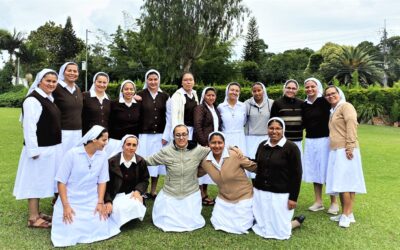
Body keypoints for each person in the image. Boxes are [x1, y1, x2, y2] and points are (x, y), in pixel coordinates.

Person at [51, 125, 120, 247]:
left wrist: (100, 202)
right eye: (104, 140)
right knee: (69, 230)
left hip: (91, 199)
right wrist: (66, 205)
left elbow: (102, 181)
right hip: (71, 199)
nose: (106, 143)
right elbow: (61, 182)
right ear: (94, 139)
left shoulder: (103, 155)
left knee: (101, 227)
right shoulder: (72, 154)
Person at [13, 69, 62, 228]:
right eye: (48, 81)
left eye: (54, 81)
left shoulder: (48, 97)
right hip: (38, 150)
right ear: (40, 81)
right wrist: (33, 151)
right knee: (34, 182)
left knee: (41, 181)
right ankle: (33, 218)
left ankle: (37, 212)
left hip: (49, 149)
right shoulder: (32, 100)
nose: (51, 84)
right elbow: (29, 127)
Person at [145, 124, 210, 232]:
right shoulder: (166, 151)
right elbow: (148, 161)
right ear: (173, 136)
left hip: (190, 192)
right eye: (178, 135)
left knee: (190, 221)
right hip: (171, 192)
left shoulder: (198, 149)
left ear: (188, 135)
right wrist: (129, 157)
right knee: (167, 222)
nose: (181, 138)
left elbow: (216, 150)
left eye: (184, 134)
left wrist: (233, 149)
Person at [252, 117, 304, 240]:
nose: (274, 131)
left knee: (281, 229)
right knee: (263, 219)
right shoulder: (262, 145)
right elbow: (257, 165)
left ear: (283, 130)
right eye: (271, 128)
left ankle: (296, 223)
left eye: (277, 128)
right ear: (267, 129)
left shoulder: (291, 148)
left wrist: (293, 198)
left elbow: (297, 174)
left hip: (281, 192)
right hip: (261, 190)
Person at [324, 86, 366, 228]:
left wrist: (350, 146)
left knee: (346, 183)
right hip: (337, 150)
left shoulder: (346, 106)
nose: (331, 96)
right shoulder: (334, 110)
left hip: (346, 149)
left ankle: (347, 215)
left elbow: (352, 124)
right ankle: (347, 213)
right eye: (328, 95)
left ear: (339, 94)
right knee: (343, 183)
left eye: (333, 93)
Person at [198, 132, 257, 234]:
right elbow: (195, 173)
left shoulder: (235, 155)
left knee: (240, 226)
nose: (217, 146)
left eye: (220, 143)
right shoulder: (205, 162)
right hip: (224, 198)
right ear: (208, 144)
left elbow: (253, 167)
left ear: (224, 143)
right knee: (217, 222)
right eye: (213, 143)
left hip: (244, 196)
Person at [302, 78, 338, 214]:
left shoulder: (325, 101)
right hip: (310, 141)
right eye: (307, 87)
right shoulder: (304, 104)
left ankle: (334, 203)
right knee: (314, 171)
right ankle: (318, 202)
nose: (310, 89)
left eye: (313, 86)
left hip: (326, 140)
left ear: (318, 87)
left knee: (328, 170)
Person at [137, 69, 169, 199]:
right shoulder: (140, 95)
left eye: (155, 79)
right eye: (150, 79)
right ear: (146, 80)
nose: (153, 82)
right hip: (144, 135)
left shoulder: (165, 96)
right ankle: (142, 190)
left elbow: (169, 116)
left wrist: (166, 135)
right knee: (143, 163)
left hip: (159, 136)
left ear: (159, 80)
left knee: (157, 164)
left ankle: (153, 190)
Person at [104, 134, 149, 229]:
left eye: (134, 145)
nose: (131, 147)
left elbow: (144, 180)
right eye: (128, 144)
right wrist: (108, 201)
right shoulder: (111, 162)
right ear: (122, 145)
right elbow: (105, 184)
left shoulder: (141, 161)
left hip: (132, 194)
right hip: (115, 195)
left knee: (135, 204)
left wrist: (138, 191)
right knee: (117, 209)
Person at [193, 87, 222, 206]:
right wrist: (204, 142)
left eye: (213, 95)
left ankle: (205, 192)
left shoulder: (215, 108)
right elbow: (197, 125)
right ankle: (200, 194)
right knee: (200, 168)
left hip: (212, 143)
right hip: (204, 143)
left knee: (208, 169)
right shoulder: (200, 108)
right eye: (208, 95)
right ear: (204, 96)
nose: (211, 97)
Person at [244, 82, 274, 179]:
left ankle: (265, 188)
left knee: (266, 163)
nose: (257, 93)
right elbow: (243, 121)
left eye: (259, 90)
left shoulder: (271, 103)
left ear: (263, 90)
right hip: (251, 138)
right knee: (253, 165)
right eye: (254, 91)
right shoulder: (247, 104)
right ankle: (254, 189)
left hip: (266, 137)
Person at [53, 62, 83, 154]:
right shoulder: (56, 87)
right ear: (63, 72)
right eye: (69, 70)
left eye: (75, 71)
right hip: (62, 133)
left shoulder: (77, 89)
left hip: (78, 133)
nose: (72, 73)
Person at [106, 80, 141, 156]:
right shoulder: (113, 104)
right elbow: (109, 121)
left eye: (131, 89)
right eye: (126, 89)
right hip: (116, 141)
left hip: (132, 143)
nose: (129, 91)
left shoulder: (138, 105)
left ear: (134, 91)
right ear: (122, 90)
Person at [163, 72, 199, 142]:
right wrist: (178, 134)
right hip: (182, 132)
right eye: (185, 80)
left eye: (191, 80)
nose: (188, 82)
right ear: (181, 83)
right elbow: (174, 117)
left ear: (194, 82)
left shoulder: (194, 94)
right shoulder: (177, 96)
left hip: (194, 132)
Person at [270, 79, 303, 154]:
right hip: (282, 140)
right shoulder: (277, 103)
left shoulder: (301, 103)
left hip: (297, 140)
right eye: (288, 88)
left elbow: (304, 120)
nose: (290, 90)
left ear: (297, 90)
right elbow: (273, 121)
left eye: (293, 88)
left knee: (297, 163)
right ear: (284, 89)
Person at [218, 82, 247, 156]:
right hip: (226, 138)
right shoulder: (220, 107)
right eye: (232, 90)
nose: (234, 92)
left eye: (237, 91)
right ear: (227, 91)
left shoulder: (243, 106)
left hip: (240, 138)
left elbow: (244, 121)